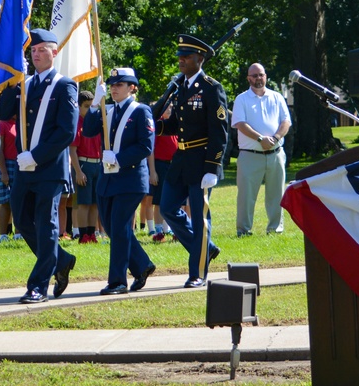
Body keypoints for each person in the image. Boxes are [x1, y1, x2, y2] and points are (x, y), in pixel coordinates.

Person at [0, 29, 78, 303]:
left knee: (46, 224)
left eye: (42, 49)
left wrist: (37, 156)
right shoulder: (25, 84)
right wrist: (12, 82)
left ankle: (38, 285)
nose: (37, 54)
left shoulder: (64, 86)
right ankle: (60, 261)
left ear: (55, 52)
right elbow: (3, 112)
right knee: (21, 220)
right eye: (33, 50)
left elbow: (66, 132)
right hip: (24, 168)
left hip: (49, 168)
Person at [157, 34, 228, 288]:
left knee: (200, 219)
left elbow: (219, 132)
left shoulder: (211, 88)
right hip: (181, 160)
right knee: (167, 208)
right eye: (180, 56)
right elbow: (176, 124)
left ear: (200, 58)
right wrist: (157, 126)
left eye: (186, 56)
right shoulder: (181, 87)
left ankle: (198, 273)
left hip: (201, 161)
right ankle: (206, 248)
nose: (181, 60)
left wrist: (212, 167)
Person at [83, 68, 156, 294]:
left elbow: (145, 146)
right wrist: (94, 104)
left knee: (120, 228)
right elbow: (88, 131)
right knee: (113, 228)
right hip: (108, 180)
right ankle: (142, 265)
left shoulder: (141, 111)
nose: (114, 88)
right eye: (112, 85)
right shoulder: (107, 110)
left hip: (130, 179)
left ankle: (118, 281)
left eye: (119, 85)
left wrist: (118, 158)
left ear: (132, 88)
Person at [232, 62, 292, 236]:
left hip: (276, 153)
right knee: (246, 196)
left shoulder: (277, 97)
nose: (258, 78)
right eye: (254, 75)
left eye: (261, 74)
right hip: (250, 155)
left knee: (277, 194)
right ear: (248, 78)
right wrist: (260, 139)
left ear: (265, 76)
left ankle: (275, 229)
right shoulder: (241, 99)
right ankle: (243, 230)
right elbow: (240, 124)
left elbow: (286, 121)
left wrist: (276, 138)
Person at [72, 90, 102, 244]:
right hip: (83, 164)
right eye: (86, 106)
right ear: (79, 106)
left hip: (97, 164)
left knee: (95, 203)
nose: (89, 109)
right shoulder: (77, 123)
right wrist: (78, 171)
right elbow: (72, 150)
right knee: (84, 203)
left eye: (91, 106)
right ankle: (83, 234)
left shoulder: (96, 122)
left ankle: (92, 233)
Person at [0, 118, 18, 240]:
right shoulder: (2, 124)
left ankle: (19, 233)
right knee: (5, 201)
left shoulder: (21, 123)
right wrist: (3, 172)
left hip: (20, 164)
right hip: (7, 164)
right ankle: (3, 234)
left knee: (19, 200)